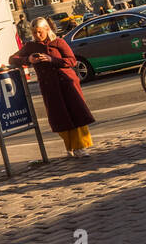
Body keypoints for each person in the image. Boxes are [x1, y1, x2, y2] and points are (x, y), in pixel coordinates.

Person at [9, 16, 95, 158]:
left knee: (76, 115)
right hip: (50, 87)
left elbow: (72, 61)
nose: (37, 35)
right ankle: (70, 146)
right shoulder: (31, 47)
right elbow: (12, 59)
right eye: (34, 33)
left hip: (67, 84)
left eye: (39, 32)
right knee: (60, 118)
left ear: (47, 29)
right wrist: (28, 60)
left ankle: (81, 146)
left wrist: (51, 59)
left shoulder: (58, 42)